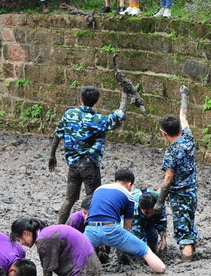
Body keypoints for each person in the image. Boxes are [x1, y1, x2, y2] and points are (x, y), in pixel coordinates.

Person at [48, 85, 128, 224]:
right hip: (89, 165)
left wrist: (52, 155)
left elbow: (58, 134)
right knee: (93, 199)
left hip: (73, 164)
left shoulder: (69, 114)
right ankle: (92, 230)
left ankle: (59, 228)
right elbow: (117, 117)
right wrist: (124, 97)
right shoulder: (97, 119)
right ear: (96, 101)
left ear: (81, 99)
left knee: (69, 199)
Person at [83, 169, 165, 273]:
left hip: (90, 229)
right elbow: (127, 227)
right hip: (111, 228)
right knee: (146, 251)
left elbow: (96, 213)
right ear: (129, 184)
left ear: (115, 181)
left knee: (76, 253)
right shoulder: (129, 196)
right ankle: (162, 270)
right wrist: (124, 245)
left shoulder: (98, 190)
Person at [153, 85, 198, 261]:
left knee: (183, 231)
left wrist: (159, 202)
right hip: (192, 191)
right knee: (189, 222)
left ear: (164, 134)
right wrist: (184, 96)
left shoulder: (171, 152)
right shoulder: (189, 138)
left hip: (179, 195)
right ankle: (192, 253)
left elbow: (168, 178)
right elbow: (183, 116)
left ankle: (188, 261)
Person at [11, 217, 101, 276]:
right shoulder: (47, 231)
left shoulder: (44, 240)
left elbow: (48, 270)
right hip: (91, 265)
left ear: (25, 233)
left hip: (83, 270)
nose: (21, 243)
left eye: (19, 240)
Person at [131, 188, 167, 254]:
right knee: (135, 242)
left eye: (152, 212)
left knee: (152, 236)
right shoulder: (133, 205)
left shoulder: (160, 202)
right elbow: (137, 232)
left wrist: (163, 240)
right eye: (147, 213)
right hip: (131, 218)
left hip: (151, 218)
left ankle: (153, 250)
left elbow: (161, 221)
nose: (149, 215)